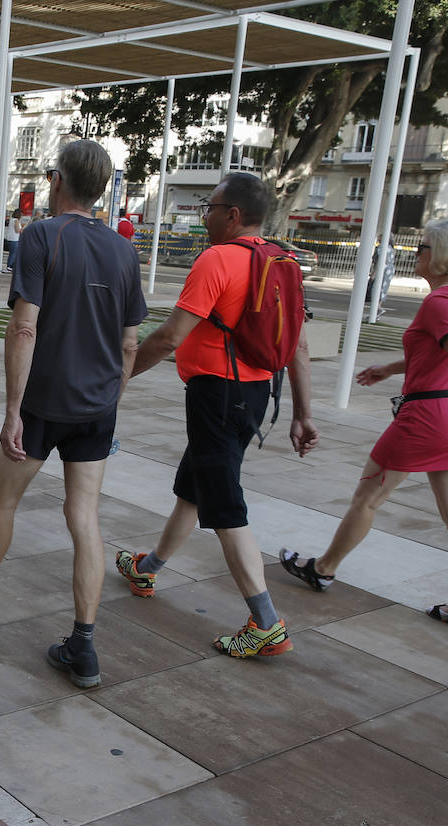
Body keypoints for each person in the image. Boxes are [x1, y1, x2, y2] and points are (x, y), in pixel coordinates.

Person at [0, 140, 146, 688]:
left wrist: (12, 410)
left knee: (2, 500)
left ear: (58, 181)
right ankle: (85, 643)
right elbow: (129, 343)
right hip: (97, 408)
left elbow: (25, 326)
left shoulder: (41, 236)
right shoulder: (123, 250)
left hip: (44, 402)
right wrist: (110, 400)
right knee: (85, 518)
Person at [118, 172, 319, 659]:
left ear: (232, 215)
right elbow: (298, 344)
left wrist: (118, 381)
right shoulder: (281, 261)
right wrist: (302, 413)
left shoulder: (218, 260)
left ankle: (266, 623)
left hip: (216, 394)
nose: (202, 214)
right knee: (196, 485)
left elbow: (169, 336)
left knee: (225, 505)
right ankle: (148, 567)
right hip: (253, 397)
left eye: (208, 206)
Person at [280, 220, 448, 630]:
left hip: (428, 418)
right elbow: (443, 354)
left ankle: (323, 568)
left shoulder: (441, 301)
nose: (417, 252)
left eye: (423, 246)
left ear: (442, 254)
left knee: (367, 499)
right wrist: (392, 368)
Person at [2, 209, 20, 273]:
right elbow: (17, 230)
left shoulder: (11, 220)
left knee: (11, 253)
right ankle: (10, 266)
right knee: (13, 254)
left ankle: (9, 266)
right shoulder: (16, 221)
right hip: (14, 239)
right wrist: (23, 228)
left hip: (9, 239)